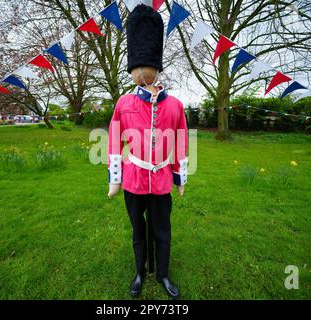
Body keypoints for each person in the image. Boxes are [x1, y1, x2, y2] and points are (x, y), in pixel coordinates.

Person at [107, 4, 188, 299]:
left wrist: (179, 178)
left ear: (154, 68)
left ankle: (163, 273)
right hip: (133, 180)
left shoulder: (175, 105)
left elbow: (180, 142)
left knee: (162, 231)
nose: (142, 72)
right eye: (138, 68)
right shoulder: (123, 103)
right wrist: (115, 179)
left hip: (162, 179)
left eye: (146, 67)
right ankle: (140, 271)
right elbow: (114, 140)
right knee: (138, 231)